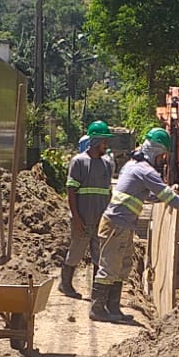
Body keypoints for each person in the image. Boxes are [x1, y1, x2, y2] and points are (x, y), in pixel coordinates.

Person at [92, 127, 179, 323]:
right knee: (110, 268)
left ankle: (112, 308)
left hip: (120, 225)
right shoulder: (145, 170)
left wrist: (163, 193)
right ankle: (98, 309)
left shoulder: (132, 166)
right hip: (117, 226)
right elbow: (169, 198)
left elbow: (145, 194)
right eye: (162, 155)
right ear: (155, 151)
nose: (163, 160)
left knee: (123, 267)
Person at [59, 121, 117, 297]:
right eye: (104, 142)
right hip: (82, 220)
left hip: (100, 221)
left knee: (99, 258)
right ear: (95, 141)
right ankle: (65, 284)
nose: (106, 146)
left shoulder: (107, 164)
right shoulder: (79, 162)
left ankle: (97, 293)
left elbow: (108, 193)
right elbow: (71, 191)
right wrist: (76, 218)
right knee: (76, 252)